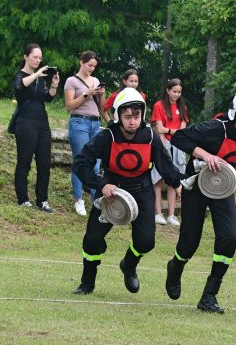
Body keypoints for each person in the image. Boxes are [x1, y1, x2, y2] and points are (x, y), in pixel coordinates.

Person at [165, 86, 236, 313]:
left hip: (223, 187)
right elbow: (179, 138)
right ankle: (176, 267)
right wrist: (206, 155)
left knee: (230, 238)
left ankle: (209, 295)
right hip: (197, 185)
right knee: (190, 242)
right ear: (235, 114)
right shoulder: (215, 128)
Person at [71, 88, 181, 295]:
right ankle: (87, 282)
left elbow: (165, 165)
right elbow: (80, 164)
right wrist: (101, 184)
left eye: (136, 117)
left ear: (142, 115)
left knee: (146, 242)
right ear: (118, 116)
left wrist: (177, 184)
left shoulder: (150, 137)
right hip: (110, 194)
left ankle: (129, 265)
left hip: (142, 193)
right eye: (127, 116)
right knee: (92, 240)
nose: (132, 121)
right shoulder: (106, 136)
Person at [12, 43, 60, 213]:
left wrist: (54, 85)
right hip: (25, 123)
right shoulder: (21, 76)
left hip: (42, 124)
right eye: (35, 57)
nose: (38, 60)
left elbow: (46, 98)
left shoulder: (39, 79)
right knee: (24, 162)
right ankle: (23, 199)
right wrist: (37, 74)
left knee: (44, 164)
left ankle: (42, 200)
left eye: (40, 58)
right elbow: (20, 86)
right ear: (26, 57)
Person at [63, 51, 105, 216]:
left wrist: (100, 95)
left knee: (95, 164)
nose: (92, 69)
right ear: (81, 62)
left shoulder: (95, 81)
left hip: (95, 123)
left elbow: (101, 107)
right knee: (80, 161)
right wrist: (87, 94)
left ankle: (95, 201)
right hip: (79, 122)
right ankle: (78, 200)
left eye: (94, 66)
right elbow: (70, 105)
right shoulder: (71, 81)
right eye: (89, 65)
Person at [150, 79, 189, 227]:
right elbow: (159, 129)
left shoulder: (182, 107)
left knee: (174, 179)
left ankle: (172, 215)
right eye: (174, 91)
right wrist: (164, 141)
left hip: (178, 144)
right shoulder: (158, 106)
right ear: (167, 90)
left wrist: (169, 131)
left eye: (179, 92)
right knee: (158, 178)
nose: (176, 94)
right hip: (162, 144)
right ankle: (158, 213)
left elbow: (183, 130)